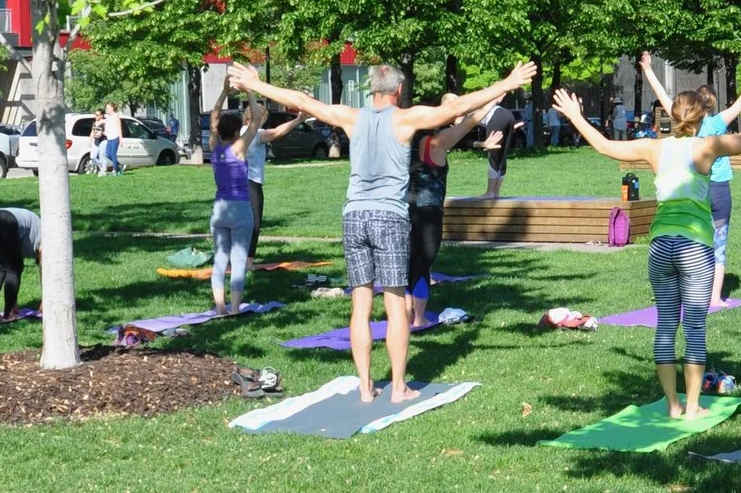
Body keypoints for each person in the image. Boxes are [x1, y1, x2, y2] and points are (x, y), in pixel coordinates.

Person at [226, 57, 537, 403]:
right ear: (399, 90)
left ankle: (364, 387)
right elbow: (461, 107)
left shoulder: (351, 117)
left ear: (372, 88)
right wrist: (507, 83)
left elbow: (303, 102)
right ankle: (399, 387)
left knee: (360, 305)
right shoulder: (406, 118)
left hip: (354, 216)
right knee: (393, 304)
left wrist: (255, 84)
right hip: (388, 217)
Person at [550, 82, 741, 417]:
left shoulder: (654, 149)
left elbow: (604, 145)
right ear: (700, 118)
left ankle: (672, 405)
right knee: (695, 327)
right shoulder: (706, 147)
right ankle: (693, 406)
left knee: (666, 325)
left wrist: (576, 116)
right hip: (694, 247)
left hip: (660, 247)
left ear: (673, 116)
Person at [642, 49, 741, 307]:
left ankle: (679, 291)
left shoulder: (685, 120)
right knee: (718, 245)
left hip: (692, 190)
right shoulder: (719, 122)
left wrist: (647, 70)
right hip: (719, 191)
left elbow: (663, 96)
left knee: (688, 239)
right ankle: (713, 297)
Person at [405, 109, 480, 320]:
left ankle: (405, 317)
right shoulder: (434, 143)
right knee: (422, 266)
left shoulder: (404, 144)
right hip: (429, 214)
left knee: (407, 266)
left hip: (406, 211)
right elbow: (467, 125)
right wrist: (494, 97)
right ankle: (419, 320)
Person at [207, 110, 257, 314]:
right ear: (237, 132)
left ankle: (220, 307)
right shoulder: (238, 147)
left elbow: (213, 119)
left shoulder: (214, 147)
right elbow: (256, 121)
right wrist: (250, 89)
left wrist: (225, 92)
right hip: (240, 209)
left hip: (219, 210)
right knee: (238, 261)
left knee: (220, 258)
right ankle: (235, 308)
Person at [243, 101, 299, 257]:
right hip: (252, 183)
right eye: (263, 119)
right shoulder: (255, 133)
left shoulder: (238, 132)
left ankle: (233, 258)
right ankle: (248, 261)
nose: (264, 123)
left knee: (238, 223)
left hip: (235, 183)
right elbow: (276, 133)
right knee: (254, 224)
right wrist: (297, 120)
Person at [478, 100, 517, 198]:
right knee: (502, 156)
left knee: (493, 155)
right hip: (508, 114)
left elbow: (459, 123)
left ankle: (490, 192)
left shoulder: (459, 111)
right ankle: (495, 192)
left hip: (496, 116)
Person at [98, 105, 124, 174]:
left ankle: (114, 170)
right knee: (108, 154)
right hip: (109, 138)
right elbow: (104, 125)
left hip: (115, 137)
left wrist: (121, 139)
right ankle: (120, 165)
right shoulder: (108, 117)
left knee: (113, 154)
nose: (106, 109)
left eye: (107, 108)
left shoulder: (115, 116)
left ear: (112, 108)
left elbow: (119, 128)